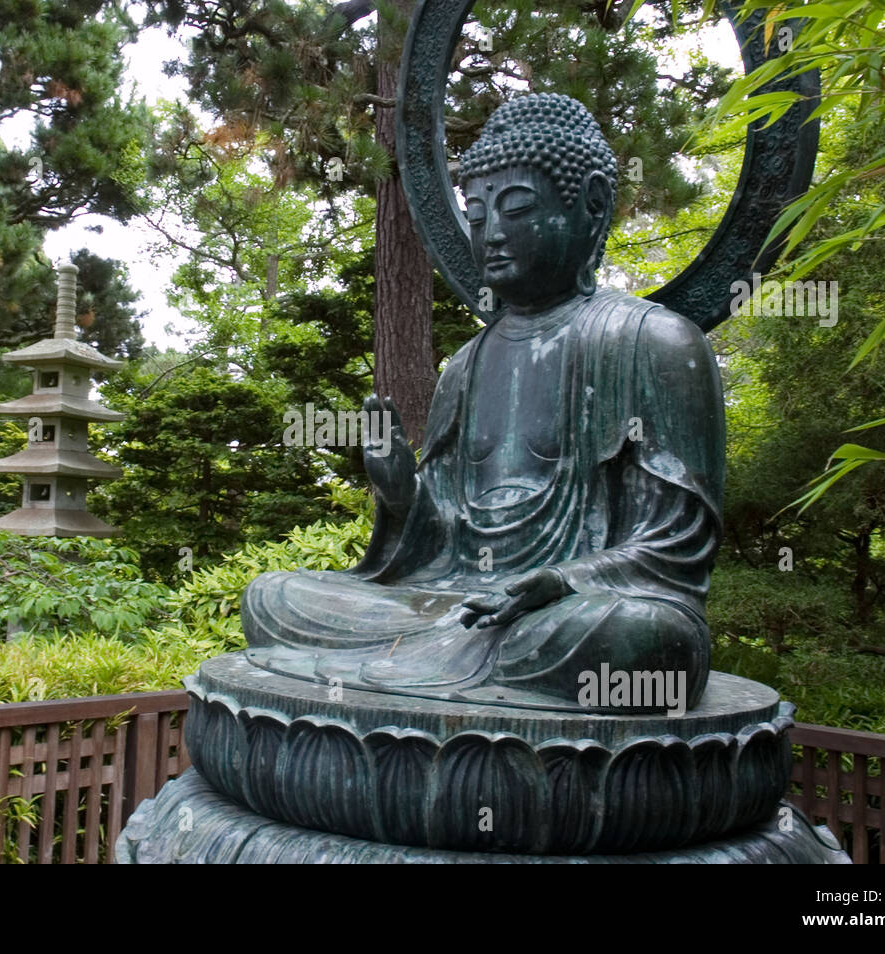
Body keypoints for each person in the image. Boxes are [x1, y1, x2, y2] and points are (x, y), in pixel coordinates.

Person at [243, 93, 724, 711]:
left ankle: (444, 666)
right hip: (453, 602)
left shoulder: (652, 342)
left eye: (518, 208)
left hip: (568, 611)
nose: (492, 233)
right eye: (475, 214)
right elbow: (443, 547)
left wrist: (559, 580)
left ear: (593, 205)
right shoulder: (466, 364)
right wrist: (402, 496)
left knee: (646, 640)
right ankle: (450, 661)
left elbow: (674, 549)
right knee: (275, 595)